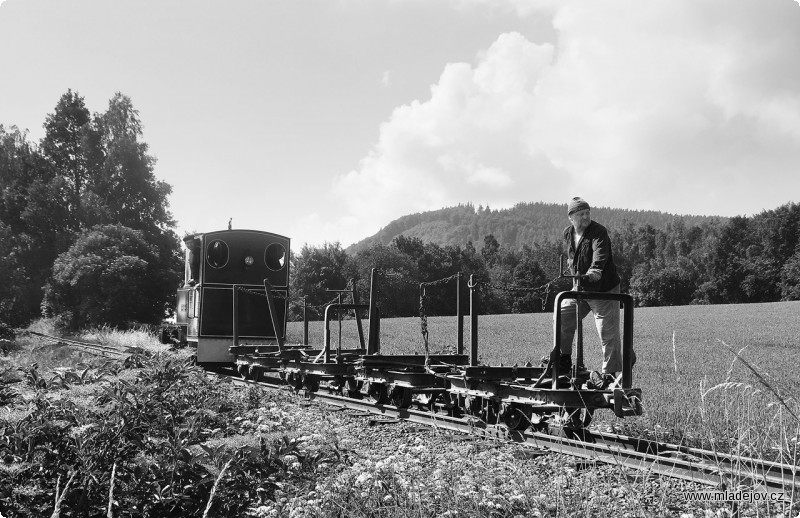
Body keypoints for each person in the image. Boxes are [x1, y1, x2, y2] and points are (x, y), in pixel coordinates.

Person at [558, 197, 622, 388]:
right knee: (562, 315)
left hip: (603, 290)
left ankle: (610, 374)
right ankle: (564, 360)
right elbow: (573, 259)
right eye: (580, 214)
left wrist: (595, 270)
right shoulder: (568, 233)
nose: (585, 217)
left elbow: (599, 253)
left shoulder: (598, 232)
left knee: (607, 331)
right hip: (580, 289)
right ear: (571, 217)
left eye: (587, 213)